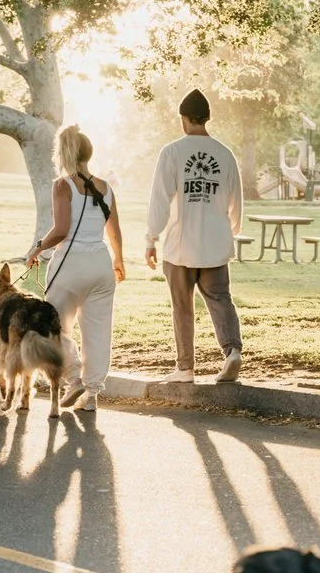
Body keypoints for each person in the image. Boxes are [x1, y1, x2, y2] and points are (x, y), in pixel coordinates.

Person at [145, 89, 244, 385]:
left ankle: (185, 367)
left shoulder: (172, 152)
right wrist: (230, 231)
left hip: (179, 245)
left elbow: (160, 201)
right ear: (207, 118)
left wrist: (150, 238)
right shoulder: (225, 154)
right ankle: (232, 351)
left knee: (182, 305)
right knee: (220, 298)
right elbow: (236, 201)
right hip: (215, 242)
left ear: (184, 119)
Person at [24, 124, 125, 413]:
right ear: (88, 153)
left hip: (71, 264)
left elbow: (61, 230)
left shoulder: (63, 185)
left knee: (55, 327)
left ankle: (73, 379)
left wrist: (38, 247)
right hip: (101, 266)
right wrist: (119, 260)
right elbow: (114, 231)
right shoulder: (106, 187)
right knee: (97, 330)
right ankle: (91, 394)